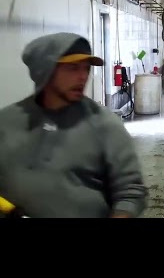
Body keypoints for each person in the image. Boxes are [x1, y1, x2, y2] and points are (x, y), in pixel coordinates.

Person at [0, 32, 147, 218]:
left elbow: (130, 191)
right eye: (72, 68)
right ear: (44, 70)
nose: (82, 77)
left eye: (86, 68)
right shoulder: (6, 123)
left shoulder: (104, 125)